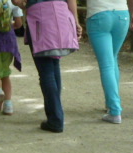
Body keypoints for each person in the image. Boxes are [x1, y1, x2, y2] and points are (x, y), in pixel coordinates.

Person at [13, 0, 82, 133]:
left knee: (46, 71)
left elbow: (17, 1)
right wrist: (75, 21)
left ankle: (55, 118)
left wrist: (24, 4)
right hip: (62, 15)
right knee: (54, 65)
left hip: (40, 19)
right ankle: (55, 112)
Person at [86, 0, 130, 124]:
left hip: (99, 13)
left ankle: (115, 110)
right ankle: (111, 103)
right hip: (122, 14)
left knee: (107, 64)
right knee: (113, 58)